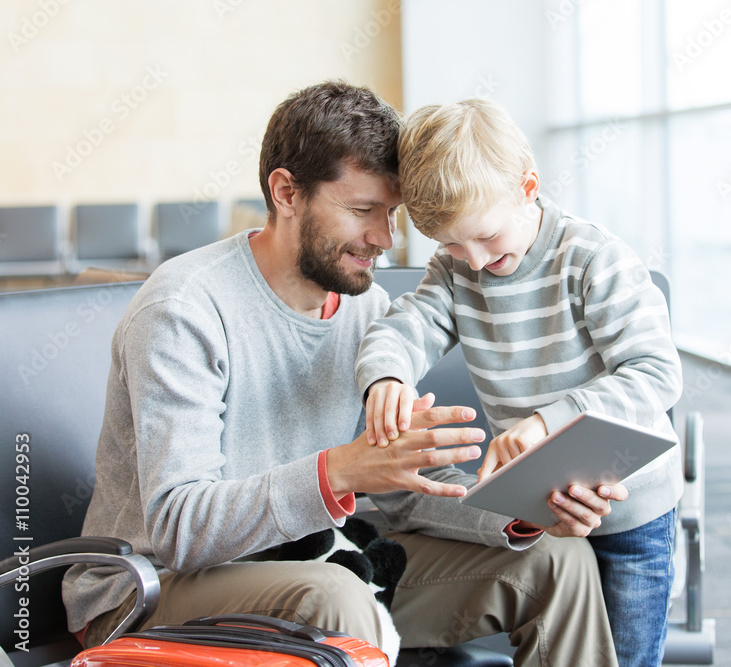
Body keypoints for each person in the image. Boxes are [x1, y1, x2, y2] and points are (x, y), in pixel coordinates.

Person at [62, 81, 621, 667]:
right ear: (286, 193)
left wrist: (523, 513)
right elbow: (180, 527)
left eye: (391, 213)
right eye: (361, 211)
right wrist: (343, 470)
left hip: (322, 562)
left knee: (557, 561)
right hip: (154, 589)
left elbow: (404, 498)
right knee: (337, 598)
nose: (384, 239)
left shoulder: (369, 310)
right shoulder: (183, 311)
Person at [356, 98, 685, 667]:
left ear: (528, 187)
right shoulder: (457, 269)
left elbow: (656, 373)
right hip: (546, 502)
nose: (476, 262)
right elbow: (408, 325)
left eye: (485, 237)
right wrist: (385, 374)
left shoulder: (592, 260)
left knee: (627, 657)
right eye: (453, 245)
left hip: (632, 515)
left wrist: (547, 422)